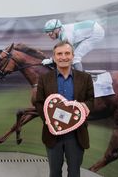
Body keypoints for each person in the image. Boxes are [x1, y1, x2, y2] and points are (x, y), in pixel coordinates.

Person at [35, 40, 94, 177]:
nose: (63, 57)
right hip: (52, 133)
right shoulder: (44, 79)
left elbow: (91, 100)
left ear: (73, 56)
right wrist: (49, 121)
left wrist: (86, 106)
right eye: (59, 54)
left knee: (74, 172)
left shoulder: (85, 78)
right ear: (54, 58)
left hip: (76, 134)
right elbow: (39, 103)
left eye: (67, 53)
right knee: (54, 172)